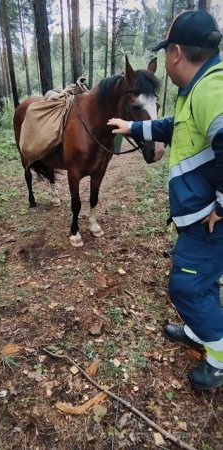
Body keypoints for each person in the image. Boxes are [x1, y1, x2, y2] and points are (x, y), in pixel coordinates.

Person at [107, 9, 223, 390]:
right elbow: (175, 126)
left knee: (186, 287)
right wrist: (134, 126)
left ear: (175, 53)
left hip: (210, 221)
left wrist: (221, 207)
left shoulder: (212, 89)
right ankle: (199, 331)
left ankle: (219, 360)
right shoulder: (201, 87)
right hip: (199, 218)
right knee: (202, 282)